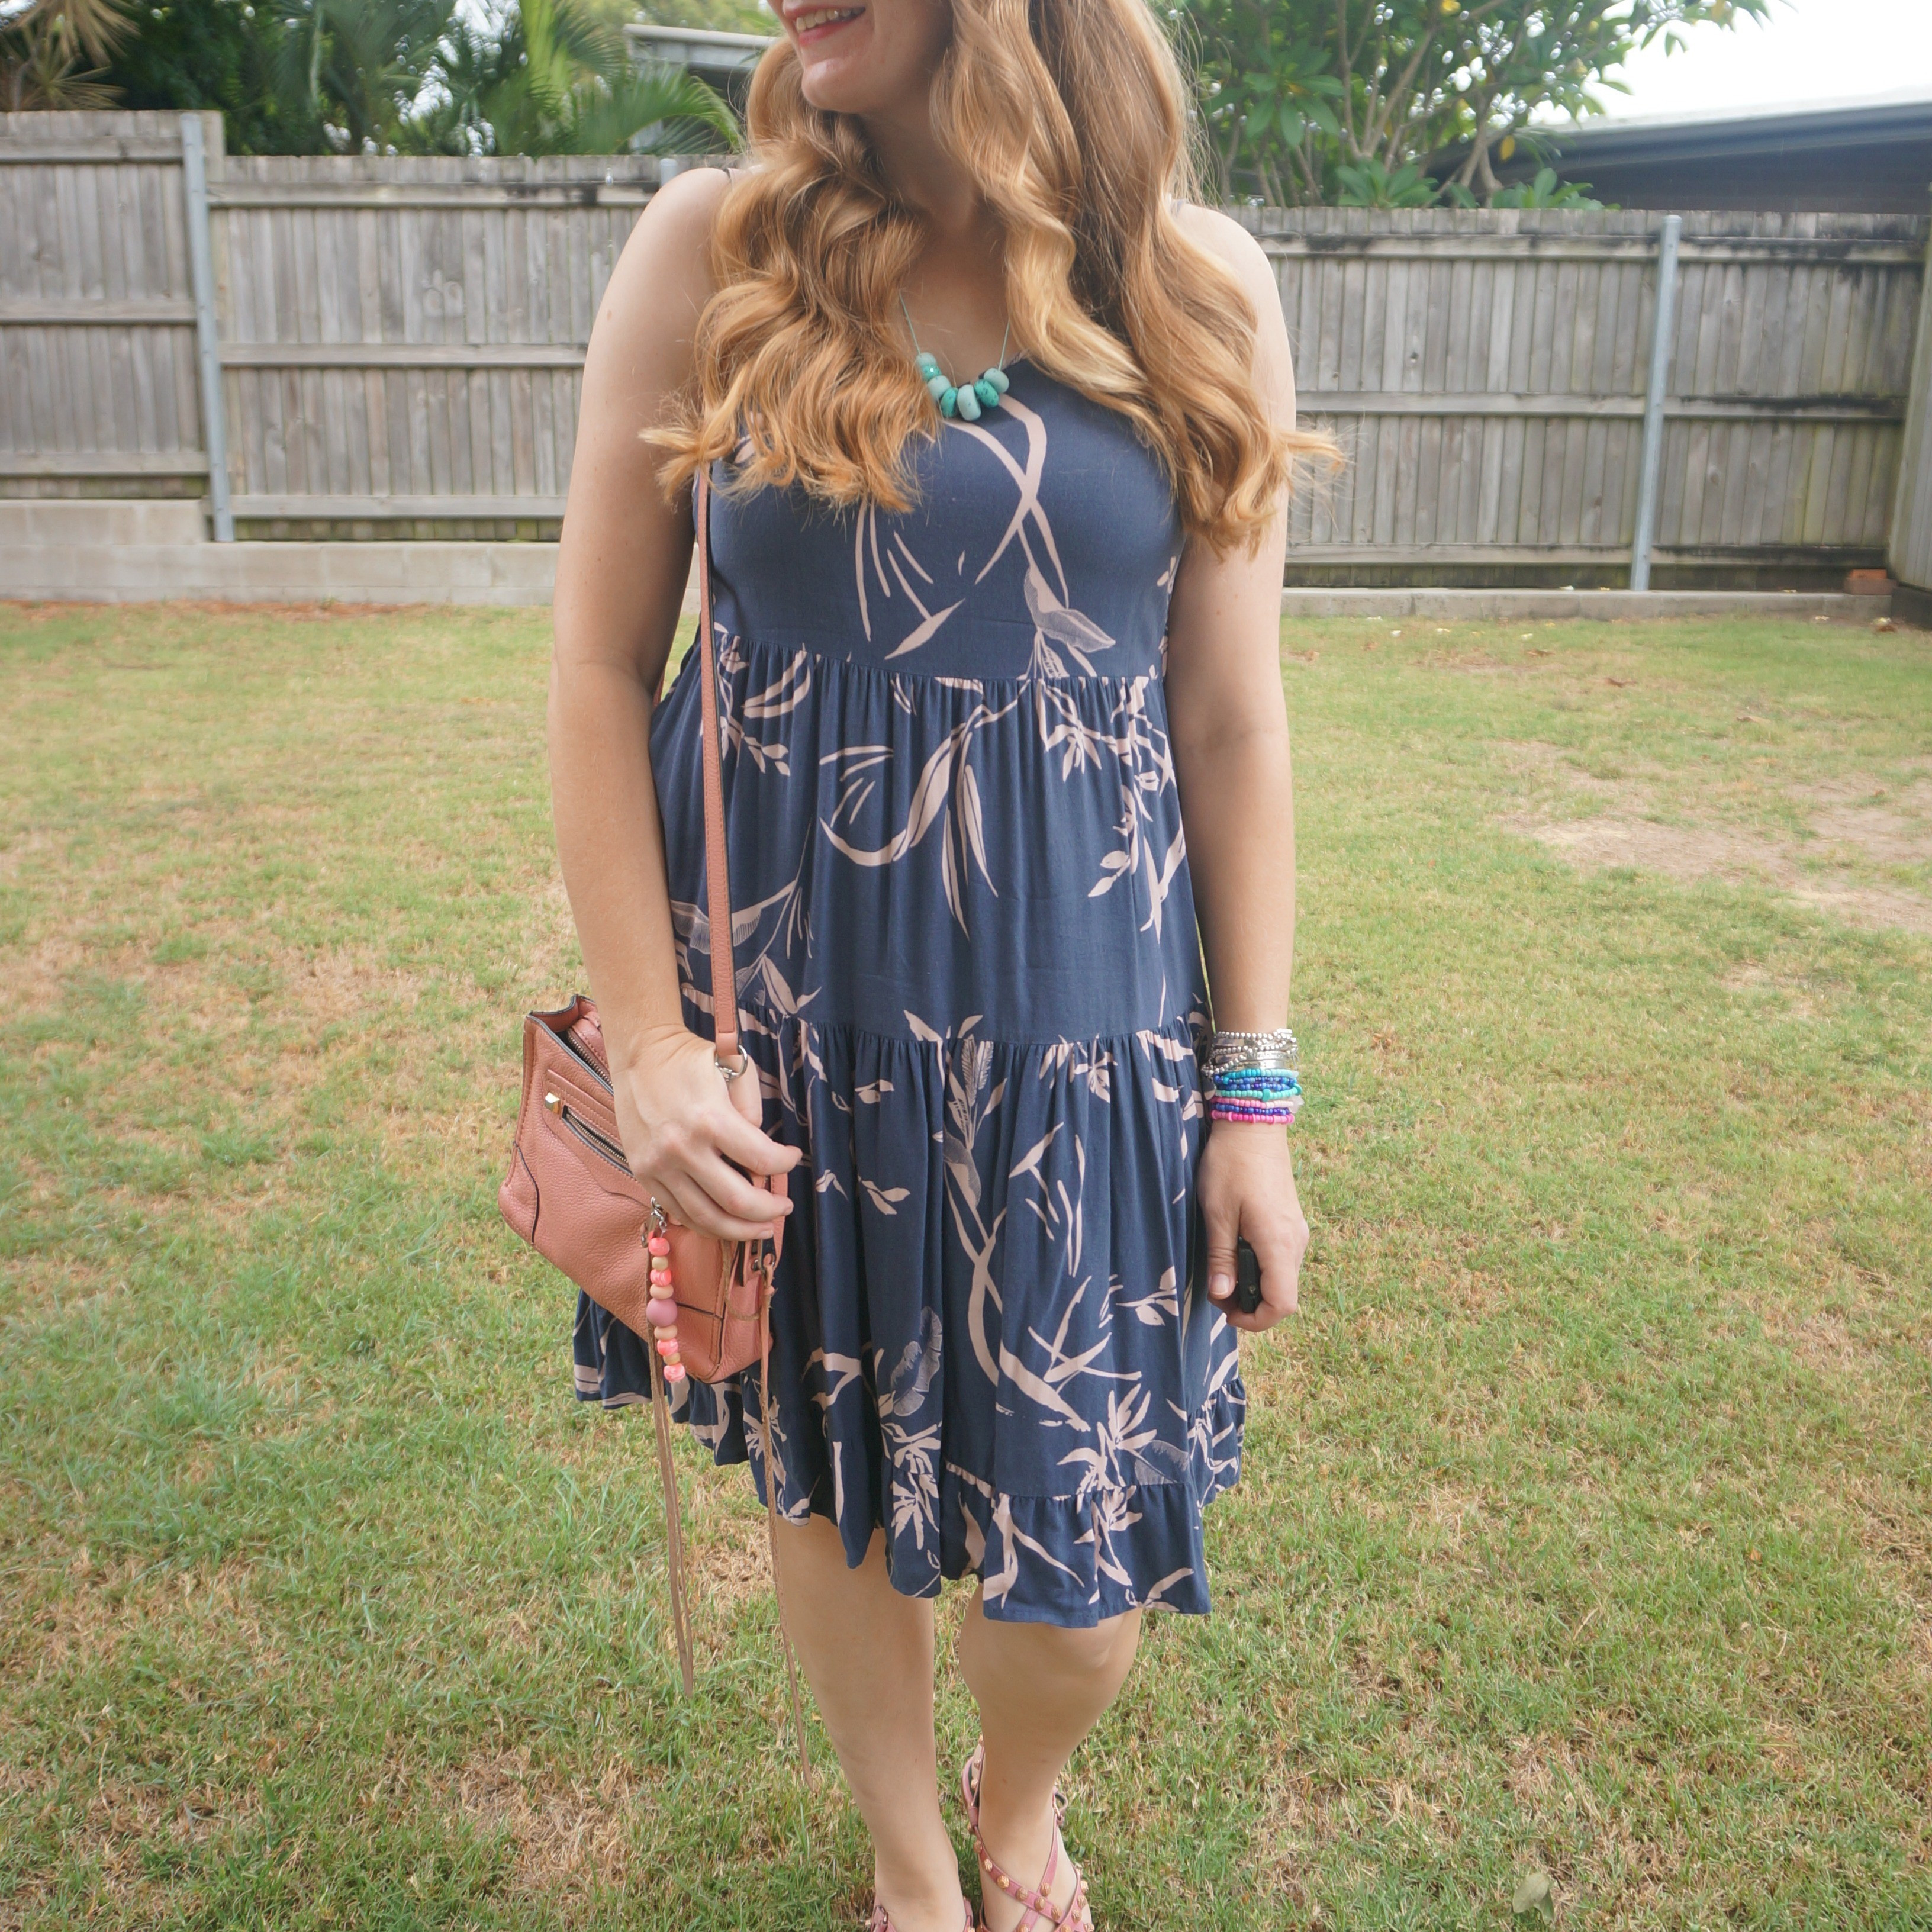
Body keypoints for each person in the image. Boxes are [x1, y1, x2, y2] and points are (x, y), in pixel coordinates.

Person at [549, 2, 1323, 1925]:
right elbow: (593, 671)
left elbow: (1230, 726)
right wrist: (648, 1048)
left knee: (1082, 1575)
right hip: (798, 1042)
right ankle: (916, 1867)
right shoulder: (716, 246)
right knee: (837, 1484)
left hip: (1090, 1044)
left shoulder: (1193, 282)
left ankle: (1018, 1794)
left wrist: (1255, 1096)